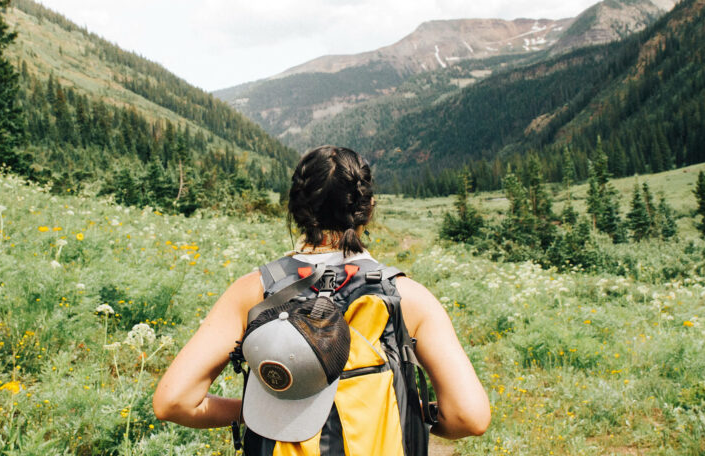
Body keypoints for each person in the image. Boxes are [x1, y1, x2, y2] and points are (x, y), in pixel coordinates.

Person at [153, 145, 490, 452]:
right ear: (368, 208)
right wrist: (407, 409)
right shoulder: (408, 297)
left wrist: (255, 411)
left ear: (295, 209)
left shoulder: (253, 291)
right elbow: (469, 417)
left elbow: (173, 401)